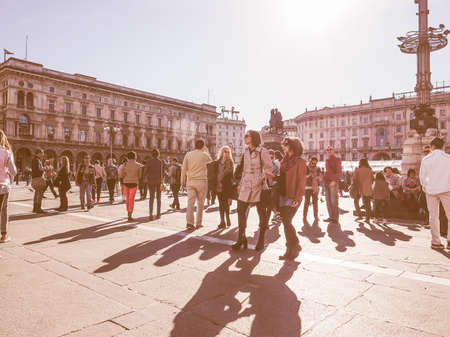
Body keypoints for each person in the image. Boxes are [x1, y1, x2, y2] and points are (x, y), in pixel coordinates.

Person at [232, 130, 273, 251]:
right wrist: (240, 185)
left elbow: (269, 169)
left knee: (262, 214)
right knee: (240, 211)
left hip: (259, 186)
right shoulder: (245, 152)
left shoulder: (262, 151)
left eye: (247, 136)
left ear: (253, 138)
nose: (244, 137)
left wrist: (260, 179)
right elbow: (244, 171)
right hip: (245, 185)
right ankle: (241, 238)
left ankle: (261, 240)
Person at [419, 137, 450, 250]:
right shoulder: (448, 158)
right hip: (447, 189)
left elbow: (422, 177)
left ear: (432, 147)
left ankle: (435, 241)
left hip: (431, 190)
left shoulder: (426, 159)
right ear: (443, 146)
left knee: (433, 216)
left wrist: (425, 187)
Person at [278, 137, 306, 260]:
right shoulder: (284, 161)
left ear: (292, 146)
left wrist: (298, 197)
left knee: (287, 222)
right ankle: (294, 245)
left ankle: (292, 248)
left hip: (292, 195)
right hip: (282, 194)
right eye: (283, 144)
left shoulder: (300, 161)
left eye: (286, 144)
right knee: (285, 222)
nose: (283, 146)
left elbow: (301, 180)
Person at [181, 139, 212, 230]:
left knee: (190, 203)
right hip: (202, 181)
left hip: (190, 181)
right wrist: (206, 151)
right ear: (203, 146)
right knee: (200, 204)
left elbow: (184, 169)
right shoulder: (205, 155)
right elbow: (211, 163)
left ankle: (190, 223)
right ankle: (199, 223)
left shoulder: (188, 154)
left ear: (194, 145)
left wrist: (182, 181)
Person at [208, 146, 235, 229]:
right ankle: (222, 221)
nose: (226, 153)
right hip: (218, 185)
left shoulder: (230, 162)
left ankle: (227, 217)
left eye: (227, 152)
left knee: (226, 203)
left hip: (227, 186)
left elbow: (231, 176)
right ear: (221, 152)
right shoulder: (217, 162)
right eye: (224, 151)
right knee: (221, 204)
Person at [0, 131, 17, 243]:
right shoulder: (6, 152)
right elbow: (13, 171)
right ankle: (3, 236)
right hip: (2, 185)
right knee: (3, 210)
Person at [120, 151, 143, 221]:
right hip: (134, 183)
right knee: (131, 199)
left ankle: (128, 212)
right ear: (135, 157)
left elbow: (121, 175)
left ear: (128, 157)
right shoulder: (139, 165)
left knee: (127, 198)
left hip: (126, 183)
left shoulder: (125, 164)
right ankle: (130, 213)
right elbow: (140, 176)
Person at [143, 149, 163, 220]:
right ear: (158, 154)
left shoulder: (149, 161)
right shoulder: (160, 162)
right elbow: (161, 173)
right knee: (158, 198)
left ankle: (150, 214)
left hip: (151, 181)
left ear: (152, 154)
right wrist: (162, 181)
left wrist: (144, 177)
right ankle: (158, 214)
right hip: (158, 181)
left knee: (151, 198)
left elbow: (145, 171)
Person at [323, 147, 342, 224]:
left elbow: (339, 172)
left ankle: (335, 218)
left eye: (330, 149)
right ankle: (331, 217)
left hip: (333, 182)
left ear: (333, 151)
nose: (329, 151)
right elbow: (327, 171)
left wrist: (334, 180)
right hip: (326, 181)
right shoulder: (327, 160)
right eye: (327, 150)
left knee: (334, 201)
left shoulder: (337, 159)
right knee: (328, 201)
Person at [353, 158, 374, 223]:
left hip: (359, 187)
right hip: (367, 188)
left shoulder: (357, 169)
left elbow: (354, 179)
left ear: (360, 163)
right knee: (367, 203)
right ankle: (368, 218)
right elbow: (372, 179)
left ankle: (359, 215)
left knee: (356, 201)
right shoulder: (370, 170)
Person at [303, 157, 321, 221]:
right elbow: (303, 176)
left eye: (315, 163)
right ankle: (304, 216)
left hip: (315, 188)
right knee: (307, 202)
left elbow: (320, 177)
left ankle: (316, 216)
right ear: (310, 162)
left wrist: (317, 177)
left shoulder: (318, 168)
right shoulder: (306, 168)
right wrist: (309, 175)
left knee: (315, 203)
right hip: (307, 187)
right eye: (312, 163)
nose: (313, 164)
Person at [31, 149, 46, 213]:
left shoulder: (35, 160)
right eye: (42, 153)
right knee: (39, 193)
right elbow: (38, 170)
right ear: (38, 153)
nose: (43, 155)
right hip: (38, 178)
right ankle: (38, 208)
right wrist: (44, 169)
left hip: (35, 178)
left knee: (37, 193)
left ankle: (35, 208)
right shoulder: (37, 160)